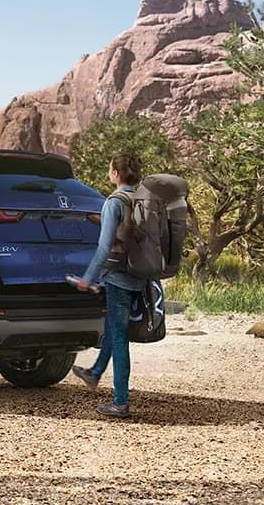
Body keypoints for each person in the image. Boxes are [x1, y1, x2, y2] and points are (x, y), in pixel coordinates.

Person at [70, 152, 146, 418]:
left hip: (118, 277)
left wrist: (87, 278)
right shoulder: (142, 200)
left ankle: (120, 402)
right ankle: (95, 372)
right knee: (114, 327)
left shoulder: (114, 202)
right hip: (139, 275)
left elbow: (104, 247)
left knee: (120, 336)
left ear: (116, 174)